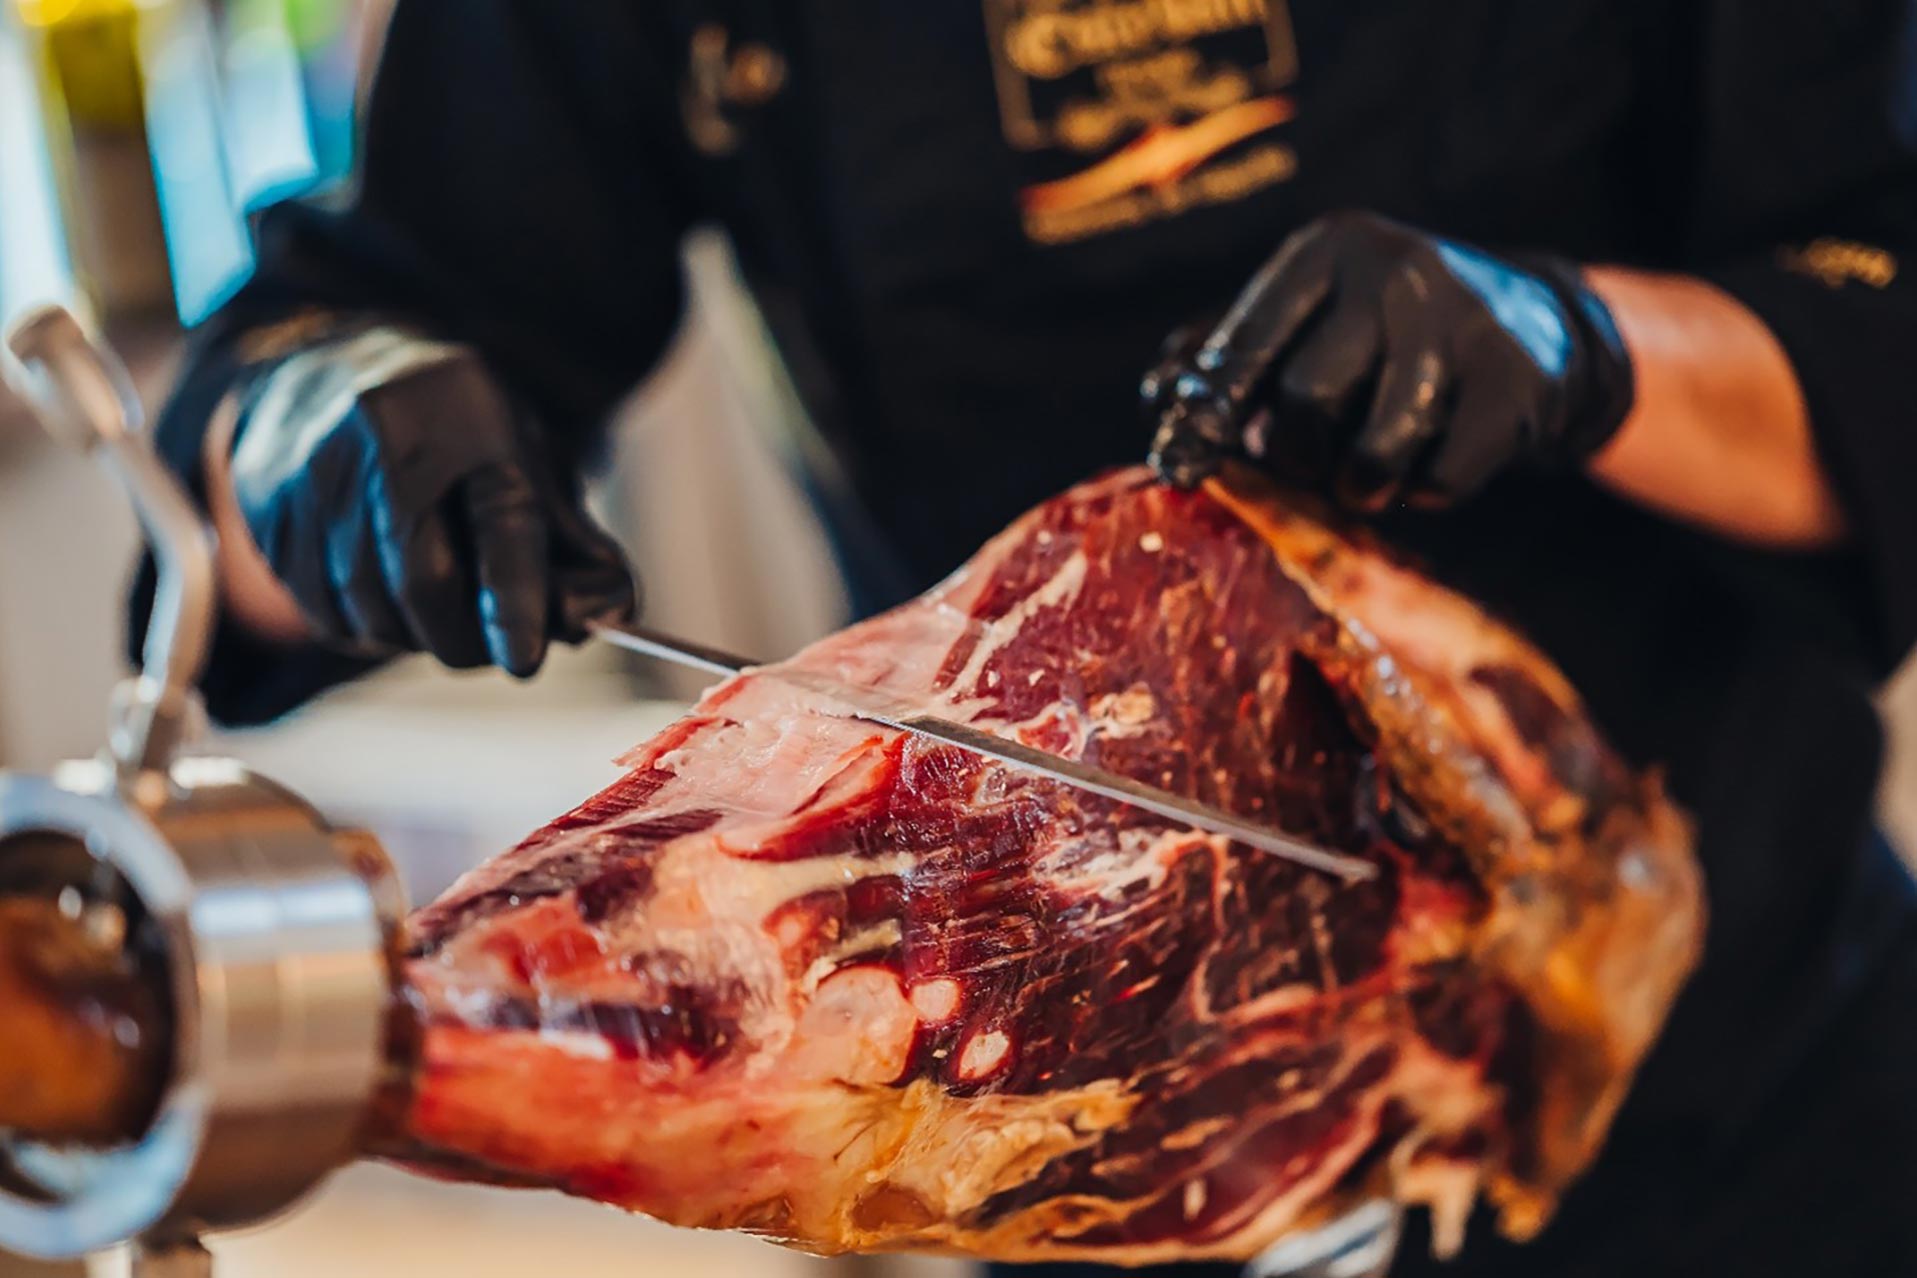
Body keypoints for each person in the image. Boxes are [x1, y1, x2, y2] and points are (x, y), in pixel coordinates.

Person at [132, 3, 1917, 1274]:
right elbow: (330, 353)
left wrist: (1575, 341)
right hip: (1063, 1124)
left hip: (1733, 1098)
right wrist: (319, 427)